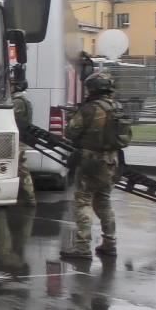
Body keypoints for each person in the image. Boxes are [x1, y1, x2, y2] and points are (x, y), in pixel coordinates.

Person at [62, 71, 130, 259]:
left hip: (90, 161)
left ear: (92, 88)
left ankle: (82, 247)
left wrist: (71, 118)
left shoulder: (89, 109)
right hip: (112, 161)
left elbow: (71, 133)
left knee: (83, 201)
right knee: (104, 202)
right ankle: (110, 243)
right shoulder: (117, 107)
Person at [11, 73, 37, 206]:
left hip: (18, 141)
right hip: (20, 139)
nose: (9, 87)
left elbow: (8, 116)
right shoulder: (23, 100)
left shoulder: (18, 102)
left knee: (21, 168)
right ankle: (27, 197)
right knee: (20, 168)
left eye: (11, 84)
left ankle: (29, 197)